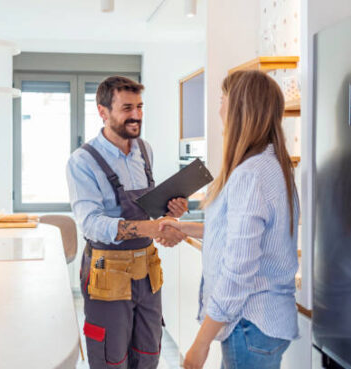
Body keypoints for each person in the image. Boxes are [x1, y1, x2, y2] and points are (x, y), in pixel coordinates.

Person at [159, 70, 300, 369]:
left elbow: (238, 269)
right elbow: (237, 235)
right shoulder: (272, 165)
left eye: (223, 100)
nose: (219, 108)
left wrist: (201, 342)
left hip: (248, 324)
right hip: (265, 325)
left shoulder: (250, 174)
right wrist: (183, 228)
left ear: (240, 109)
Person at [66, 75, 188, 369]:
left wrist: (171, 211)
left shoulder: (144, 151)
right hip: (107, 273)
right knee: (111, 359)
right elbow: (91, 223)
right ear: (103, 112)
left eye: (140, 107)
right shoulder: (82, 161)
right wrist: (150, 227)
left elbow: (148, 209)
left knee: (148, 355)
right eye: (126, 108)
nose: (136, 115)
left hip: (147, 271)